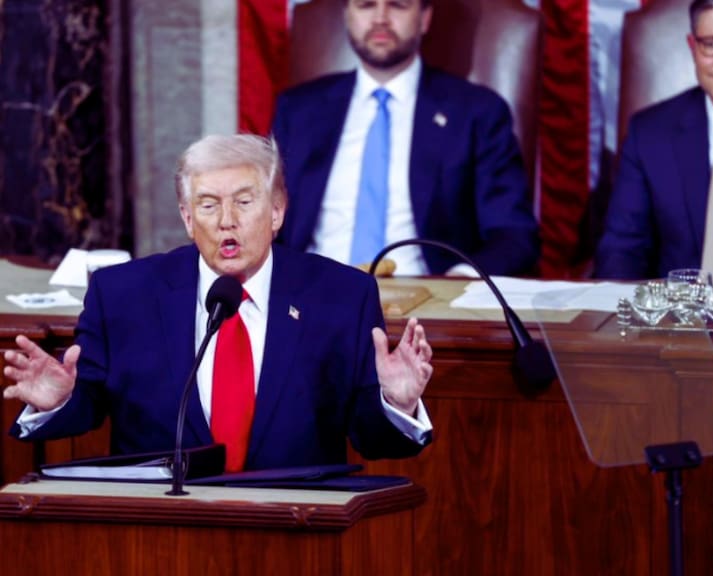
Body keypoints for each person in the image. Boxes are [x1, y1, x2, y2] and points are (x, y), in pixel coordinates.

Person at [2, 133, 433, 472]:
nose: (227, 221)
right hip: (160, 533)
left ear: (278, 211)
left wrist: (397, 403)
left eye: (244, 202)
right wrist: (57, 400)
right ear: (188, 219)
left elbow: (372, 440)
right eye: (208, 205)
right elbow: (88, 404)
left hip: (297, 528)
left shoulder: (341, 296)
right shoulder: (122, 294)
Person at [271, 0, 539, 277]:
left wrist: (461, 279)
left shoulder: (477, 112)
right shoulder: (299, 110)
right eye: (366, 5)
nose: (380, 18)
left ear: (424, 18)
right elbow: (267, 222)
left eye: (397, 5)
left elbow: (513, 234)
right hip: (310, 298)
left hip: (427, 302)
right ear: (347, 16)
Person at [595, 0, 713, 285]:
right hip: (675, 322)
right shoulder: (650, 133)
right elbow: (622, 251)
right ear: (692, 46)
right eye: (711, 44)